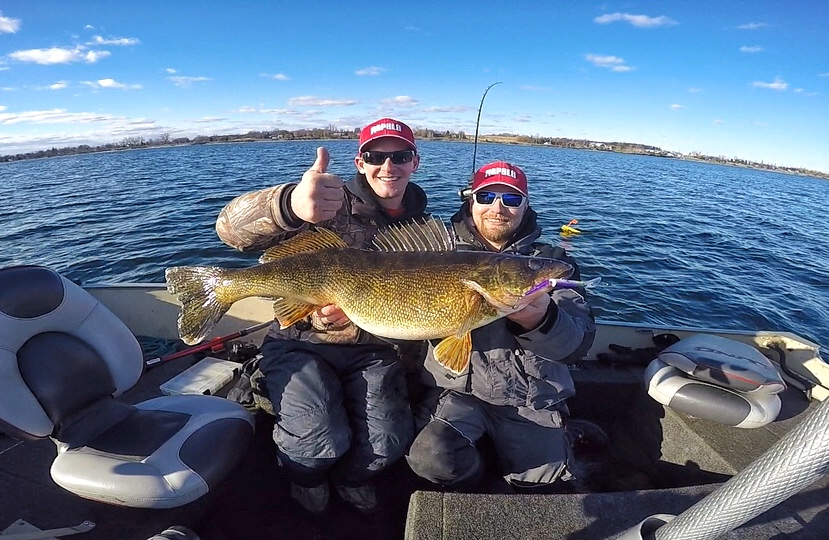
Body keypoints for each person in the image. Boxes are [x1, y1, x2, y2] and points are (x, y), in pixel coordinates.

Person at [215, 118, 427, 514]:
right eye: (375, 155)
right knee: (317, 436)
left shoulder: (424, 228)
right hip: (299, 343)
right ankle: (306, 480)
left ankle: (350, 479)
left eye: (399, 155)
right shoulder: (325, 200)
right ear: (359, 162)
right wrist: (290, 205)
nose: (388, 166)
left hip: (371, 349)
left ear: (415, 162)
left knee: (389, 442)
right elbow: (228, 229)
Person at [406, 160, 597, 492]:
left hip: (531, 400)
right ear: (471, 201)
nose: (498, 208)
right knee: (430, 459)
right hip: (458, 394)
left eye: (511, 199)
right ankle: (478, 482)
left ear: (525, 206)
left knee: (544, 491)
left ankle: (565, 435)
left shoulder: (554, 264)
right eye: (487, 197)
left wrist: (539, 320)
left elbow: (577, 344)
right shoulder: (436, 252)